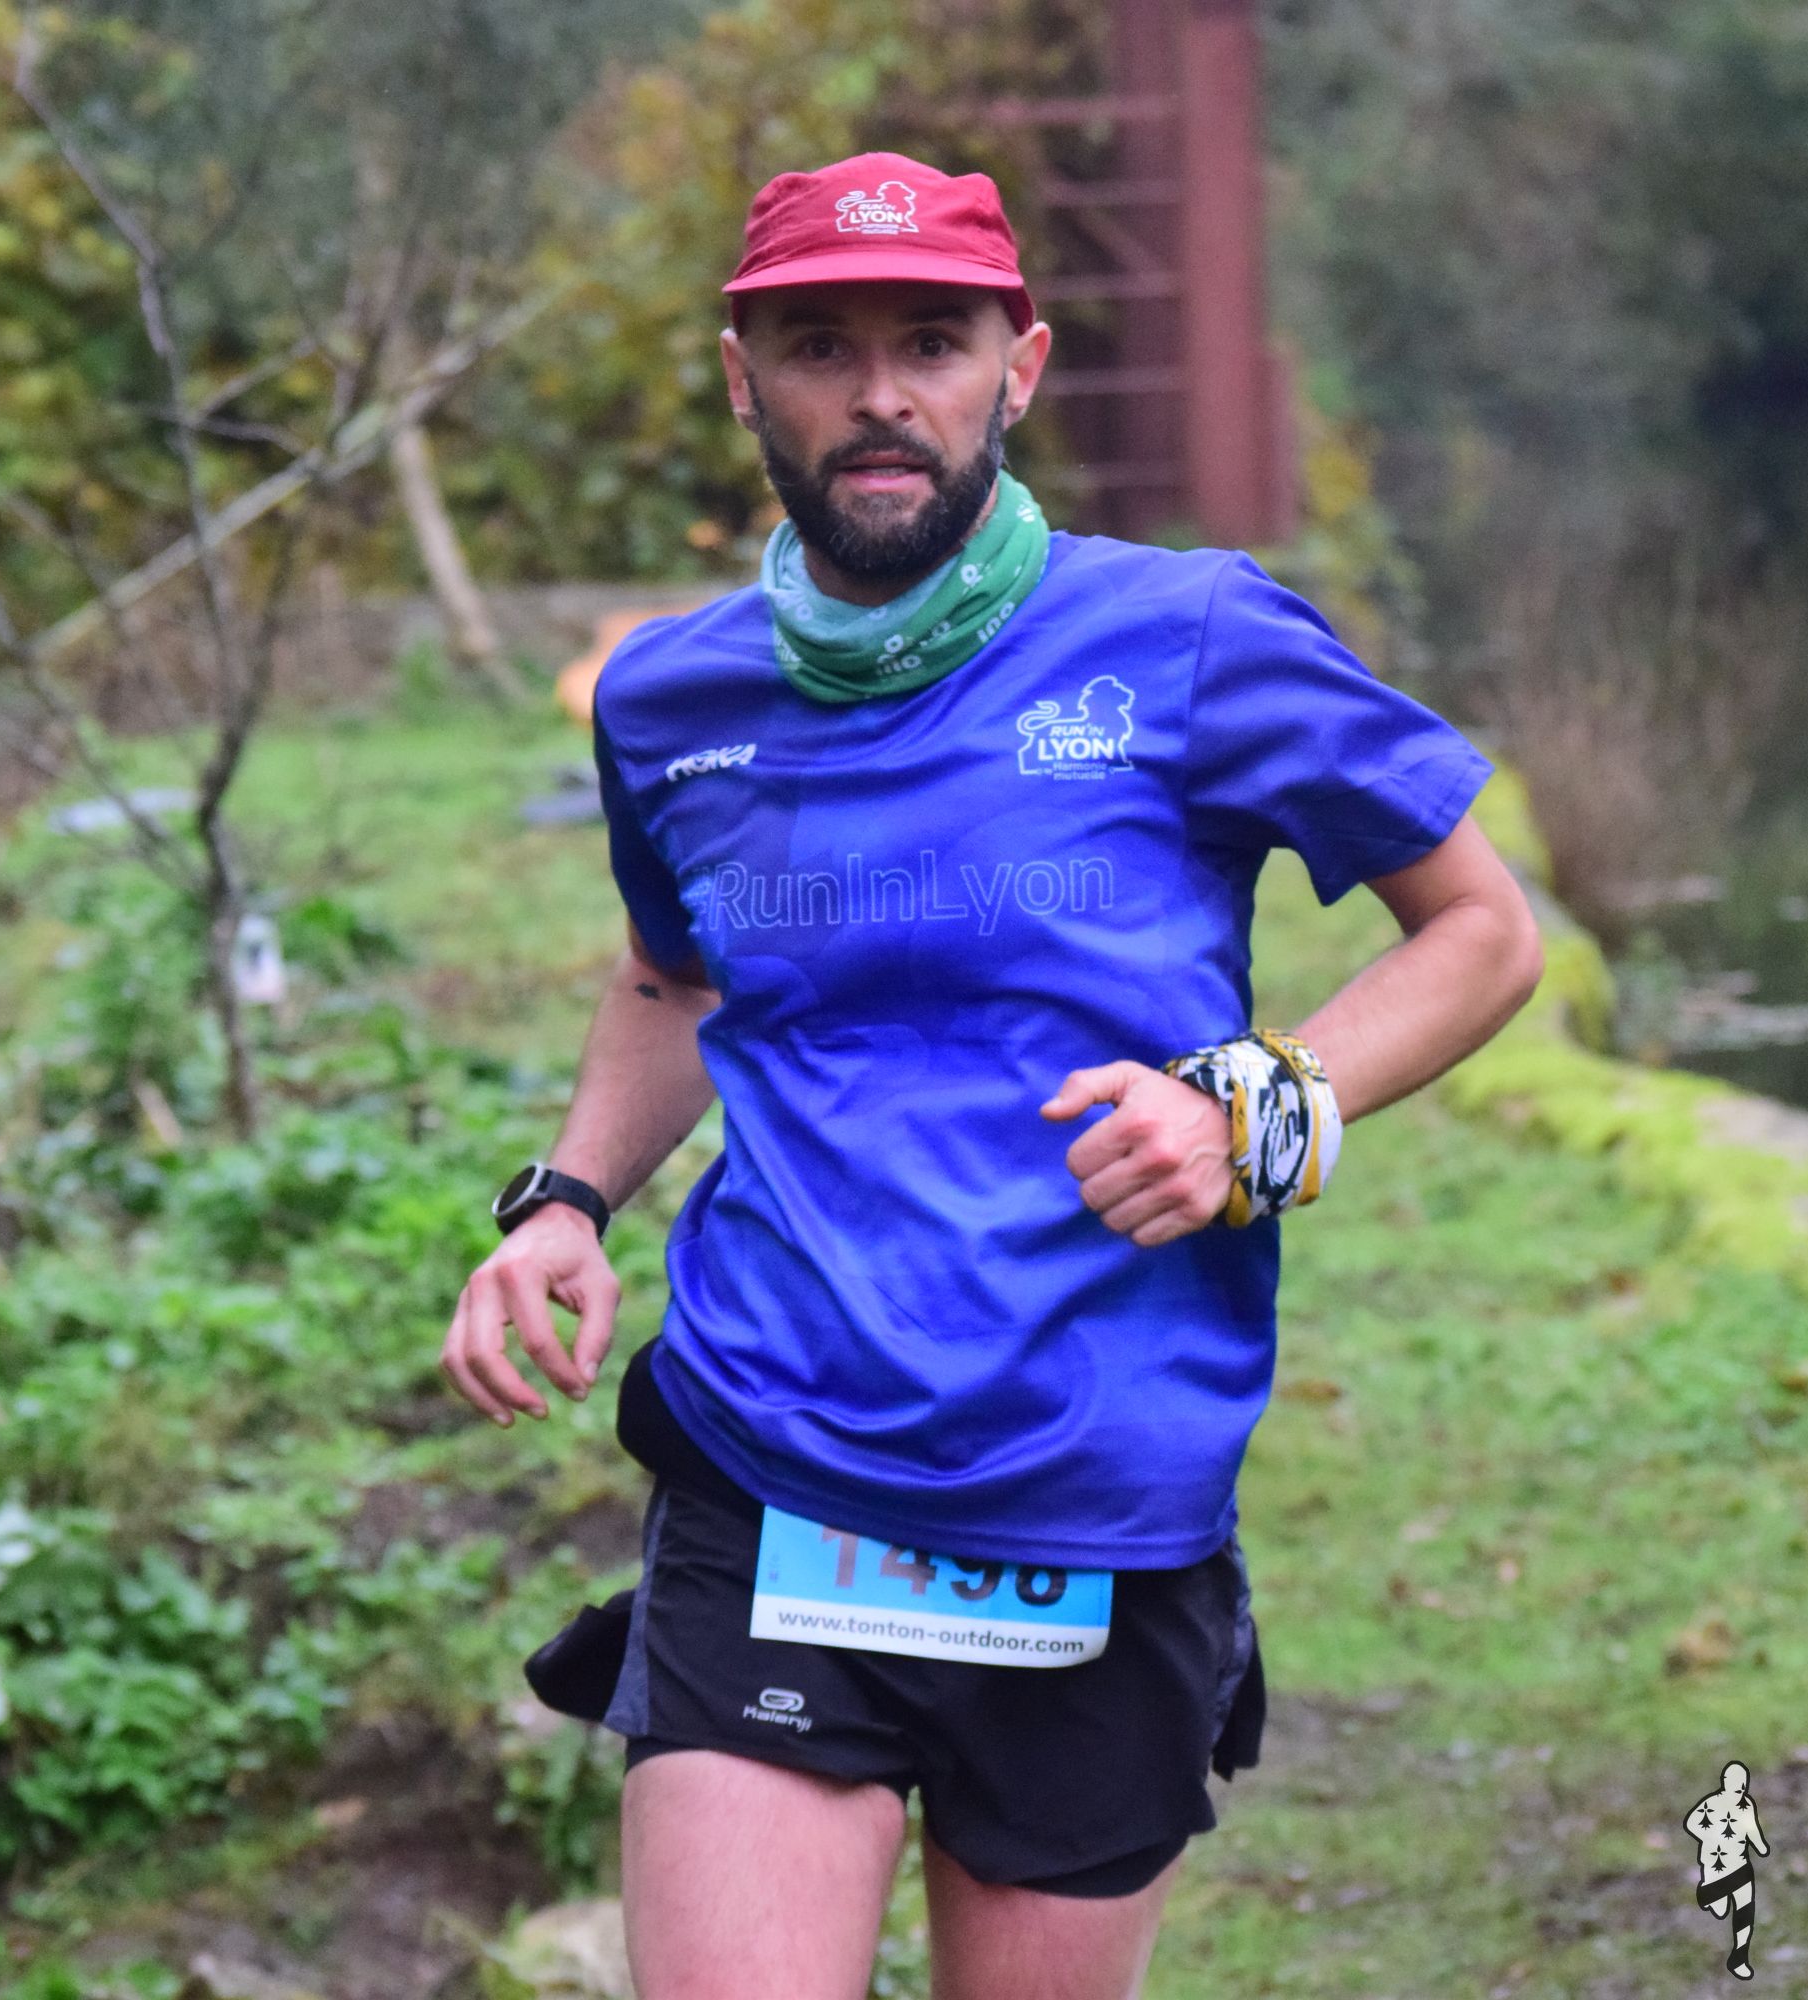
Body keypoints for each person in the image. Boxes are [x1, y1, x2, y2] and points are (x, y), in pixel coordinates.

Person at [446, 149, 1546, 2000]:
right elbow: (675, 976)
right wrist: (565, 1202)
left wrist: (1252, 1111)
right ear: (742, 379)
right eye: (821, 347)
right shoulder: (672, 700)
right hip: (774, 1459)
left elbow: (1484, 934)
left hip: (1097, 1487)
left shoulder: (1190, 638)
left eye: (931, 343)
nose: (879, 394)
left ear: (1016, 368)